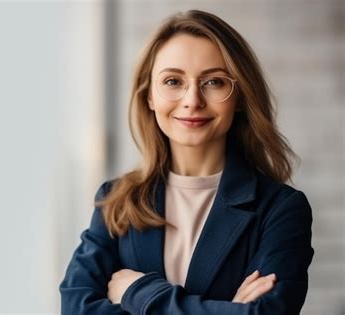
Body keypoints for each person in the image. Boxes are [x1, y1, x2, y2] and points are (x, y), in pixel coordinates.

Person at [59, 9, 314, 315]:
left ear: (241, 97)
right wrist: (226, 310)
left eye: (214, 82)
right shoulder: (115, 201)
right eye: (172, 81)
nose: (192, 100)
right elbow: (75, 308)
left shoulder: (280, 209)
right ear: (149, 96)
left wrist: (137, 292)